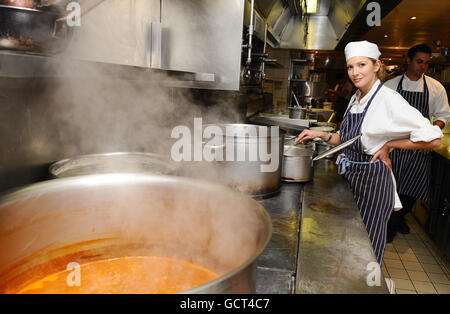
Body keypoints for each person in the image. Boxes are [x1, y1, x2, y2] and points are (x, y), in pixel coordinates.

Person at [295, 40, 443, 265]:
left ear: (377, 65)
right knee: (349, 245)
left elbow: (434, 139)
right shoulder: (357, 97)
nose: (355, 72)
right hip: (352, 178)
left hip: (373, 183)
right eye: (350, 67)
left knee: (367, 251)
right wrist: (321, 135)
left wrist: (391, 145)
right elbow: (347, 139)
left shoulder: (388, 99)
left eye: (362, 65)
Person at [384, 44, 450, 242]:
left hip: (420, 147)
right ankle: (391, 226)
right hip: (395, 145)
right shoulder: (391, 86)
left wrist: (431, 131)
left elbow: (443, 115)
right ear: (408, 60)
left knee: (412, 190)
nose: (423, 67)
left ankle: (397, 219)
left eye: (426, 63)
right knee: (390, 188)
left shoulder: (435, 87)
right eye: (419, 62)